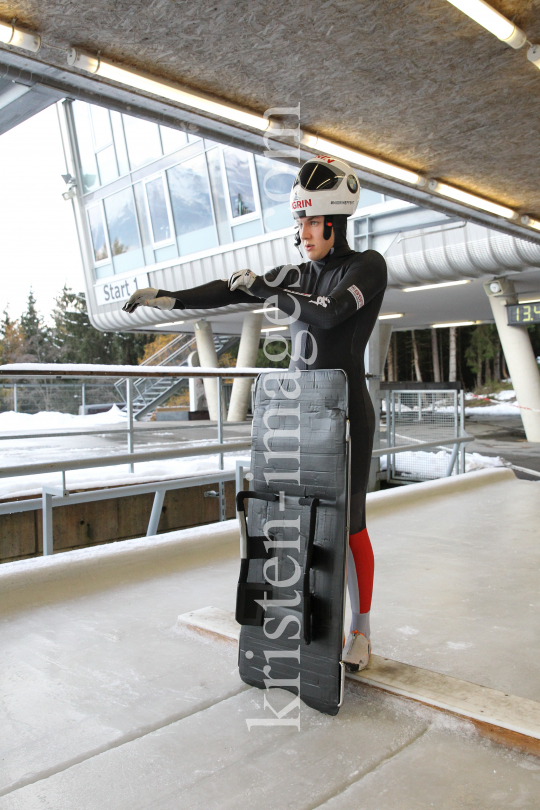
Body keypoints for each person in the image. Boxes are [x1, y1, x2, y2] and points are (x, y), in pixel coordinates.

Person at [123, 155, 387, 672]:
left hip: (347, 413)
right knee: (300, 522)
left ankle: (362, 631)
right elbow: (232, 287)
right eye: (299, 222)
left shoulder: (365, 267)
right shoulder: (297, 273)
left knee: (350, 523)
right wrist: (170, 297)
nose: (303, 233)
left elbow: (330, 316)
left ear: (335, 222)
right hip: (299, 412)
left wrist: (270, 290)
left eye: (312, 222)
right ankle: (311, 618)